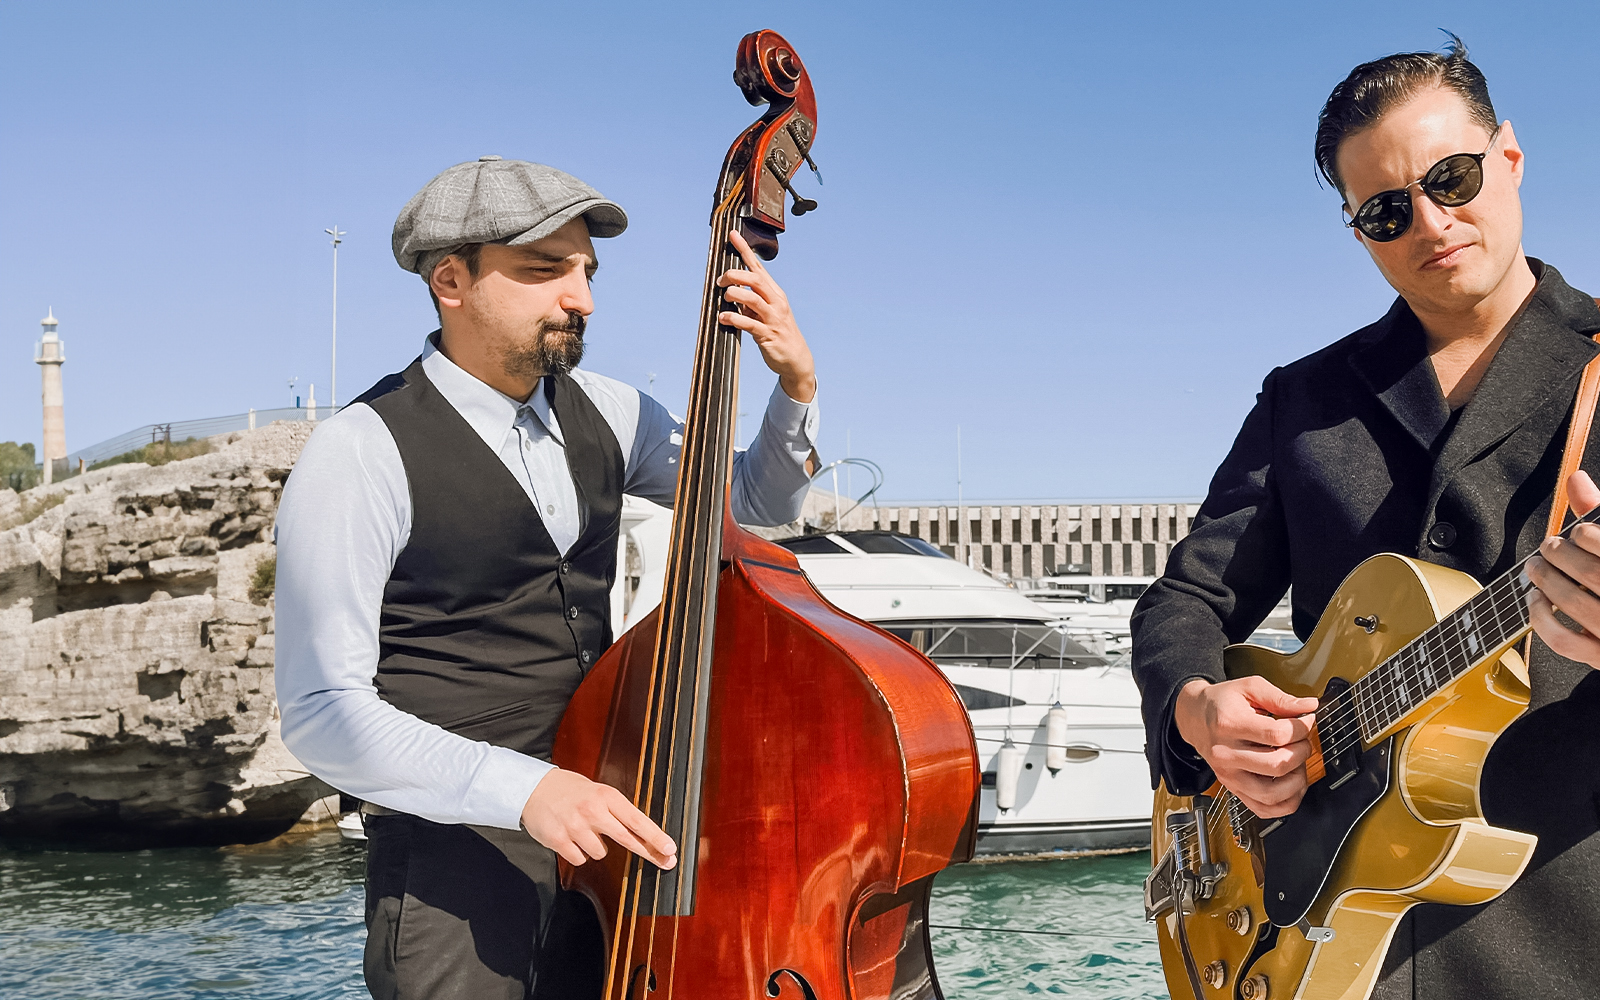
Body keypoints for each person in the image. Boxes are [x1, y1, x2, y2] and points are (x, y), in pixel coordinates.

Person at [273, 156, 821, 999]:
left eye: (587, 271)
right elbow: (320, 715)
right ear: (450, 281)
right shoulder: (360, 452)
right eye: (543, 270)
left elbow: (746, 502)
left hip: (610, 860)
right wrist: (524, 788)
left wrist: (793, 387)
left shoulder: (611, 409)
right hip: (452, 870)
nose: (582, 297)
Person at [1132, 39, 1600, 999]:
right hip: (1317, 945)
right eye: (1387, 210)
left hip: (1559, 941)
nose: (1431, 221)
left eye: (1452, 177)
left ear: (1508, 157)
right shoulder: (1303, 400)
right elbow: (1185, 599)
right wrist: (1196, 708)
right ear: (1359, 230)